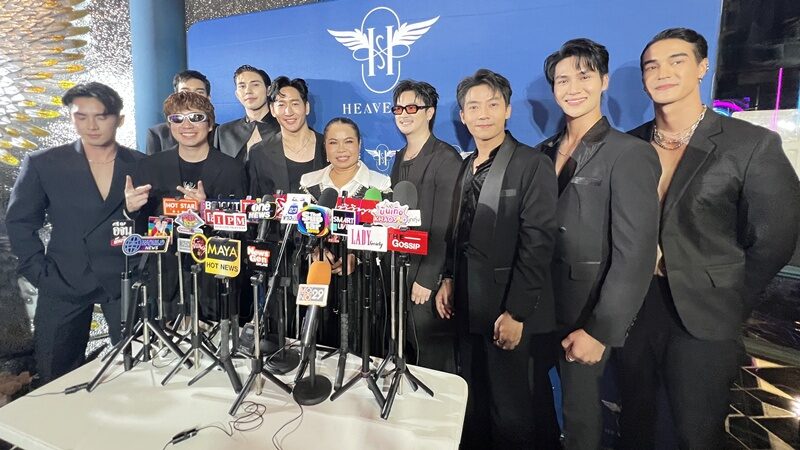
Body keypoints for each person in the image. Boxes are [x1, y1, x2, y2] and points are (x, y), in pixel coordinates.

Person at [617, 28, 800, 449]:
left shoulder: (749, 144)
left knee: (695, 432)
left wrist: (730, 296)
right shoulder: (629, 145)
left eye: (676, 61)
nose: (662, 72)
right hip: (635, 309)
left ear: (702, 67)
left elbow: (775, 238)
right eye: (651, 66)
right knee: (635, 424)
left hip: (706, 314)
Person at [537, 38, 661, 449]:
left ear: (604, 81)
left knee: (581, 418)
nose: (572, 88)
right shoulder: (542, 152)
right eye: (562, 80)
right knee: (533, 406)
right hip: (537, 307)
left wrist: (601, 330)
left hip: (586, 312)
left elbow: (635, 254)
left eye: (584, 76)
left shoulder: (629, 153)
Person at [435, 69, 558, 449]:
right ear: (463, 115)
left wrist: (517, 312)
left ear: (507, 110)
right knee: (474, 402)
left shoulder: (531, 163)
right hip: (467, 303)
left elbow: (538, 242)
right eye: (473, 106)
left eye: (492, 104)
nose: (483, 114)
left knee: (512, 410)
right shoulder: (465, 165)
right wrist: (448, 277)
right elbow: (458, 230)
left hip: (507, 306)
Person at [6, 82, 144, 384]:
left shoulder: (141, 164)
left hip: (123, 281)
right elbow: (20, 222)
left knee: (136, 372)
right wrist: (39, 272)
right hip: (63, 279)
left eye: (101, 116)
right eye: (81, 116)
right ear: (71, 118)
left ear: (119, 119)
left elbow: (153, 223)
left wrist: (141, 269)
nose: (91, 125)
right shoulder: (44, 163)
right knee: (55, 375)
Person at [125, 91, 247, 319]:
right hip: (165, 278)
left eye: (196, 118)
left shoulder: (233, 169)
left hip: (214, 280)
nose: (187, 125)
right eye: (177, 118)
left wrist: (207, 210)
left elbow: (241, 230)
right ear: (169, 125)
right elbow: (138, 229)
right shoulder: (150, 166)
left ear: (210, 124)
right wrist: (130, 210)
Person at [388, 79, 461, 373]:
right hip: (398, 270)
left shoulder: (446, 158)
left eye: (412, 108)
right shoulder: (398, 157)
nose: (403, 114)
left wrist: (429, 277)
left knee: (431, 357)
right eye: (398, 108)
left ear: (429, 112)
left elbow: (447, 223)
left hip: (427, 274)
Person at [248, 76, 327, 197]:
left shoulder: (328, 147)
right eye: (281, 105)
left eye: (295, 104)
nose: (288, 112)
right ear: (272, 110)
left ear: (307, 107)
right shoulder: (259, 152)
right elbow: (255, 201)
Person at [299, 117, 391, 199]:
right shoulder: (309, 183)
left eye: (348, 141)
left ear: (359, 144)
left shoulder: (380, 184)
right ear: (325, 146)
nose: (341, 149)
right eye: (333, 143)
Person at [214, 65, 280, 162]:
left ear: (268, 90)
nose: (248, 91)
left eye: (255, 85)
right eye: (242, 86)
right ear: (237, 94)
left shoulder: (284, 127)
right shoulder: (223, 132)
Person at [146, 70, 216, 155]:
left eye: (199, 92)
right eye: (185, 92)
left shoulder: (220, 133)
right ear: (175, 96)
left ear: (208, 98)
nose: (191, 97)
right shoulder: (158, 134)